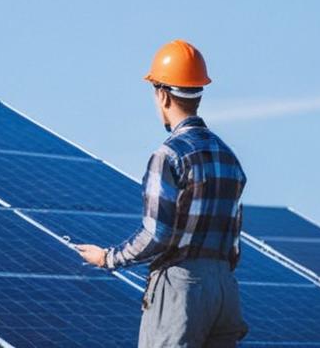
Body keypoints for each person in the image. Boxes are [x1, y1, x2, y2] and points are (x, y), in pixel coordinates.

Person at [74, 40, 248, 347]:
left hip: (181, 290)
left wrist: (107, 258)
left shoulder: (169, 156)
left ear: (163, 95)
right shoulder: (228, 157)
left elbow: (157, 235)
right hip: (224, 290)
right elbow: (233, 241)